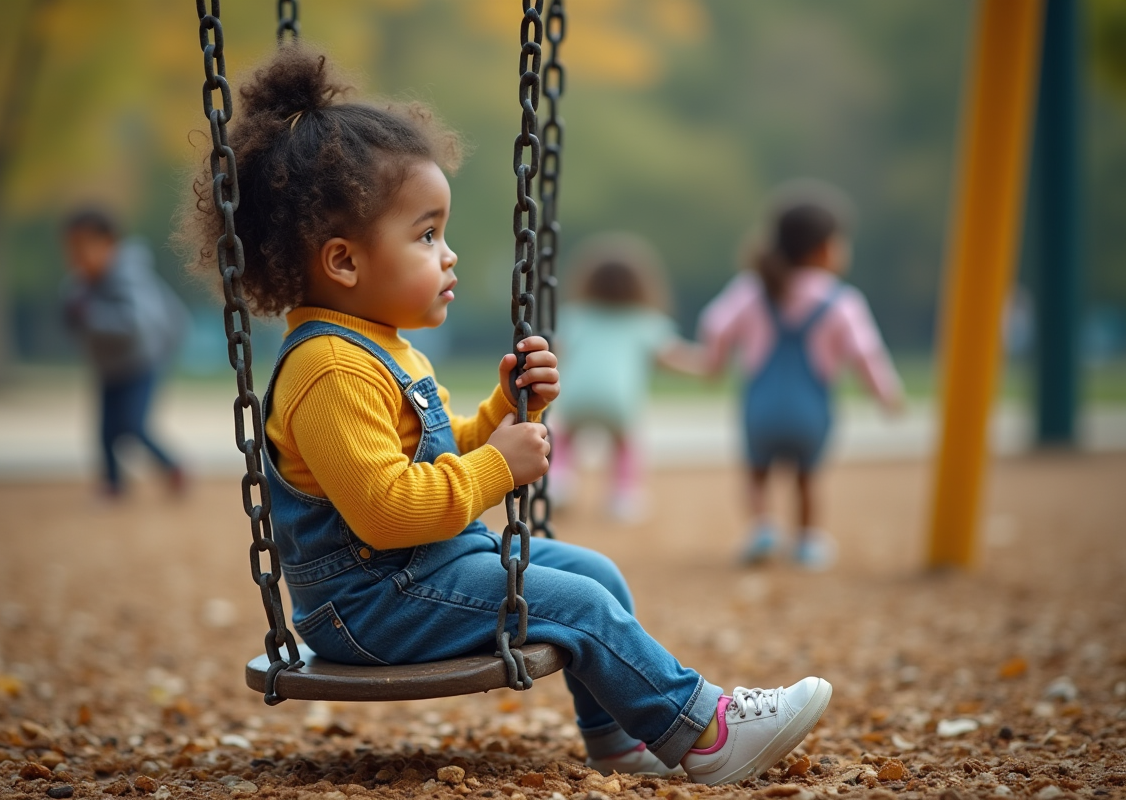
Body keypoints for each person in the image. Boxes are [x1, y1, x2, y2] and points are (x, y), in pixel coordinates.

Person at [176, 46, 831, 785]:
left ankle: (619, 738)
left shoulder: (376, 346)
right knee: (578, 604)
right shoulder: (330, 369)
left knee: (596, 573)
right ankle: (702, 731)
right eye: (427, 236)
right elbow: (388, 510)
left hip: (423, 569)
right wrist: (500, 464)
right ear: (345, 263)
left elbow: (427, 456)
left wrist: (500, 414)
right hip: (370, 605)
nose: (449, 255)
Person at [697, 182, 904, 570]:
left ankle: (761, 529)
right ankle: (807, 542)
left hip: (760, 408)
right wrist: (886, 396)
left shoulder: (752, 289)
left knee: (757, 474)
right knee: (806, 477)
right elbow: (866, 353)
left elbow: (715, 325)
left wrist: (714, 364)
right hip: (811, 411)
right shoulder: (840, 299)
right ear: (824, 248)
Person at [549, 234, 705, 521]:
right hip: (619, 401)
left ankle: (559, 483)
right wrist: (706, 367)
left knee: (564, 436)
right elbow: (674, 357)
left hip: (575, 396)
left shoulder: (576, 316)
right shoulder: (644, 322)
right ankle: (623, 496)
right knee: (626, 444)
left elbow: (553, 350)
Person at [62, 208, 189, 498]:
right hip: (109, 367)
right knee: (105, 432)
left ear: (110, 244)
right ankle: (112, 484)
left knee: (133, 425)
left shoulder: (128, 276)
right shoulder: (81, 283)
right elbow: (72, 319)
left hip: (142, 363)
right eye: (71, 250)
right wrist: (73, 313)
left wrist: (89, 315)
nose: (76, 259)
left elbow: (132, 325)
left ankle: (174, 467)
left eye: (83, 248)